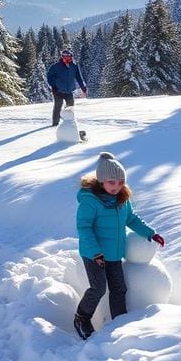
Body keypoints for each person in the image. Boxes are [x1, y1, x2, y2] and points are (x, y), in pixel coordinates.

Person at [73, 152, 165, 340]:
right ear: (101, 181)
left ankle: (119, 323)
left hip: (114, 253)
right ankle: (82, 317)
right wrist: (95, 252)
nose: (116, 187)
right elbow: (84, 227)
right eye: (111, 182)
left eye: (120, 182)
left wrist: (150, 233)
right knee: (98, 288)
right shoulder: (90, 201)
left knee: (119, 289)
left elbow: (131, 218)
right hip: (94, 254)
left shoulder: (123, 199)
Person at [47, 48, 87, 126]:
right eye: (65, 56)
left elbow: (79, 78)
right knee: (58, 106)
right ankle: (55, 123)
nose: (67, 58)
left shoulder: (74, 66)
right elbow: (49, 76)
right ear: (62, 57)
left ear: (71, 57)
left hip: (69, 91)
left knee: (70, 106)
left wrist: (83, 87)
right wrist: (53, 86)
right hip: (58, 90)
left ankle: (67, 122)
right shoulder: (56, 66)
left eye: (68, 56)